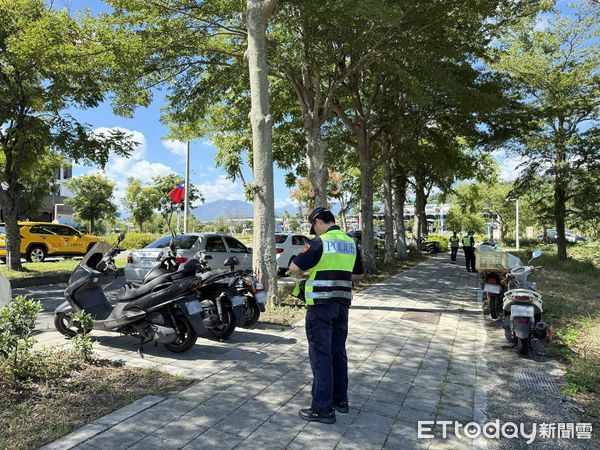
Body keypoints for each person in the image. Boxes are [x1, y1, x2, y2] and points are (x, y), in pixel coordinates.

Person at [289, 207, 364, 424]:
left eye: (315, 226)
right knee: (338, 352)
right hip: (342, 305)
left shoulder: (319, 242)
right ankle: (341, 401)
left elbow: (294, 267)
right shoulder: (350, 242)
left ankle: (322, 408)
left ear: (319, 221)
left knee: (321, 355)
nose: (314, 231)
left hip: (321, 306)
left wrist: (309, 272)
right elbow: (358, 274)